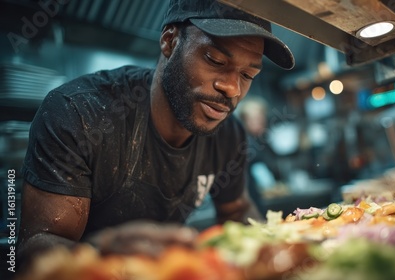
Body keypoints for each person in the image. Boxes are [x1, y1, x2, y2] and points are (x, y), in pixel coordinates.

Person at [16, 0, 294, 268]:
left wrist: (279, 253)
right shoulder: (79, 113)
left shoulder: (228, 133)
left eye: (247, 75)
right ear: (170, 41)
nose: (232, 88)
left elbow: (236, 211)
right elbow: (34, 247)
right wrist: (103, 253)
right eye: (215, 59)